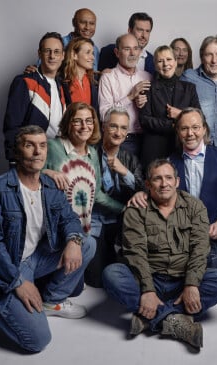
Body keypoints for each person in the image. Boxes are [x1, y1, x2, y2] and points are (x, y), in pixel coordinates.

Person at [0, 125, 95, 353]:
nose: (38, 151)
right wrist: (18, 282)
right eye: (29, 145)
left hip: (34, 259)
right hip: (7, 267)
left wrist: (74, 241)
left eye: (43, 145)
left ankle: (50, 301)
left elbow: (69, 218)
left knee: (86, 243)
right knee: (37, 340)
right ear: (17, 152)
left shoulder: (50, 185)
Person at [102, 159, 217, 349]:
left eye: (168, 178)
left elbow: (200, 249)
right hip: (148, 278)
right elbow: (135, 252)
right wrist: (147, 290)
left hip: (183, 279)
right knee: (112, 274)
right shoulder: (136, 209)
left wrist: (191, 284)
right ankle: (174, 321)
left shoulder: (194, 206)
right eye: (157, 179)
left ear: (177, 181)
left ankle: (149, 317)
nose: (164, 184)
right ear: (147, 184)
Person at [170, 107, 217, 269]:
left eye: (195, 127)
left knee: (210, 273)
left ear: (204, 129)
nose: (190, 133)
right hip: (184, 236)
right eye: (184, 128)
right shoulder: (169, 163)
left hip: (214, 235)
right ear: (178, 132)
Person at [43, 102, 123, 238]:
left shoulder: (92, 154)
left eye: (88, 121)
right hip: (53, 232)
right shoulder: (52, 147)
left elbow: (97, 194)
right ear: (68, 123)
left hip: (82, 232)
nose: (84, 126)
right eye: (77, 121)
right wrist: (47, 172)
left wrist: (123, 208)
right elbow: (26, 177)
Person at [85, 105, 144, 287]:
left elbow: (144, 188)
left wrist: (124, 171)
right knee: (96, 280)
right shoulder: (89, 153)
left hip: (121, 223)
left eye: (123, 128)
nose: (118, 132)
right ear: (103, 127)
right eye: (114, 126)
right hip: (95, 222)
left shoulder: (130, 158)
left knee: (120, 276)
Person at [3, 32, 66, 164]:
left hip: (56, 156)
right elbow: (12, 125)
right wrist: (14, 159)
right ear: (39, 53)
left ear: (63, 56)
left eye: (56, 52)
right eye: (47, 51)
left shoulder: (62, 86)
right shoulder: (25, 82)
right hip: (30, 157)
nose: (52, 56)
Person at [139, 45, 200, 168]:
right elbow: (144, 120)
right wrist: (173, 125)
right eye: (160, 61)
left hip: (181, 147)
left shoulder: (189, 88)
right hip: (155, 148)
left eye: (169, 59)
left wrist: (180, 114)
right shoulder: (147, 88)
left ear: (176, 62)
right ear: (155, 66)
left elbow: (199, 116)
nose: (165, 64)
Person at [98, 33, 152, 158]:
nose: (132, 53)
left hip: (147, 141)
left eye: (136, 48)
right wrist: (130, 97)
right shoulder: (108, 78)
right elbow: (104, 115)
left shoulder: (148, 77)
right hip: (122, 140)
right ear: (117, 53)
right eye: (127, 49)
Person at [181, 35, 217, 148]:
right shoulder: (189, 77)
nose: (214, 60)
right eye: (209, 55)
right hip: (197, 146)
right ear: (202, 57)